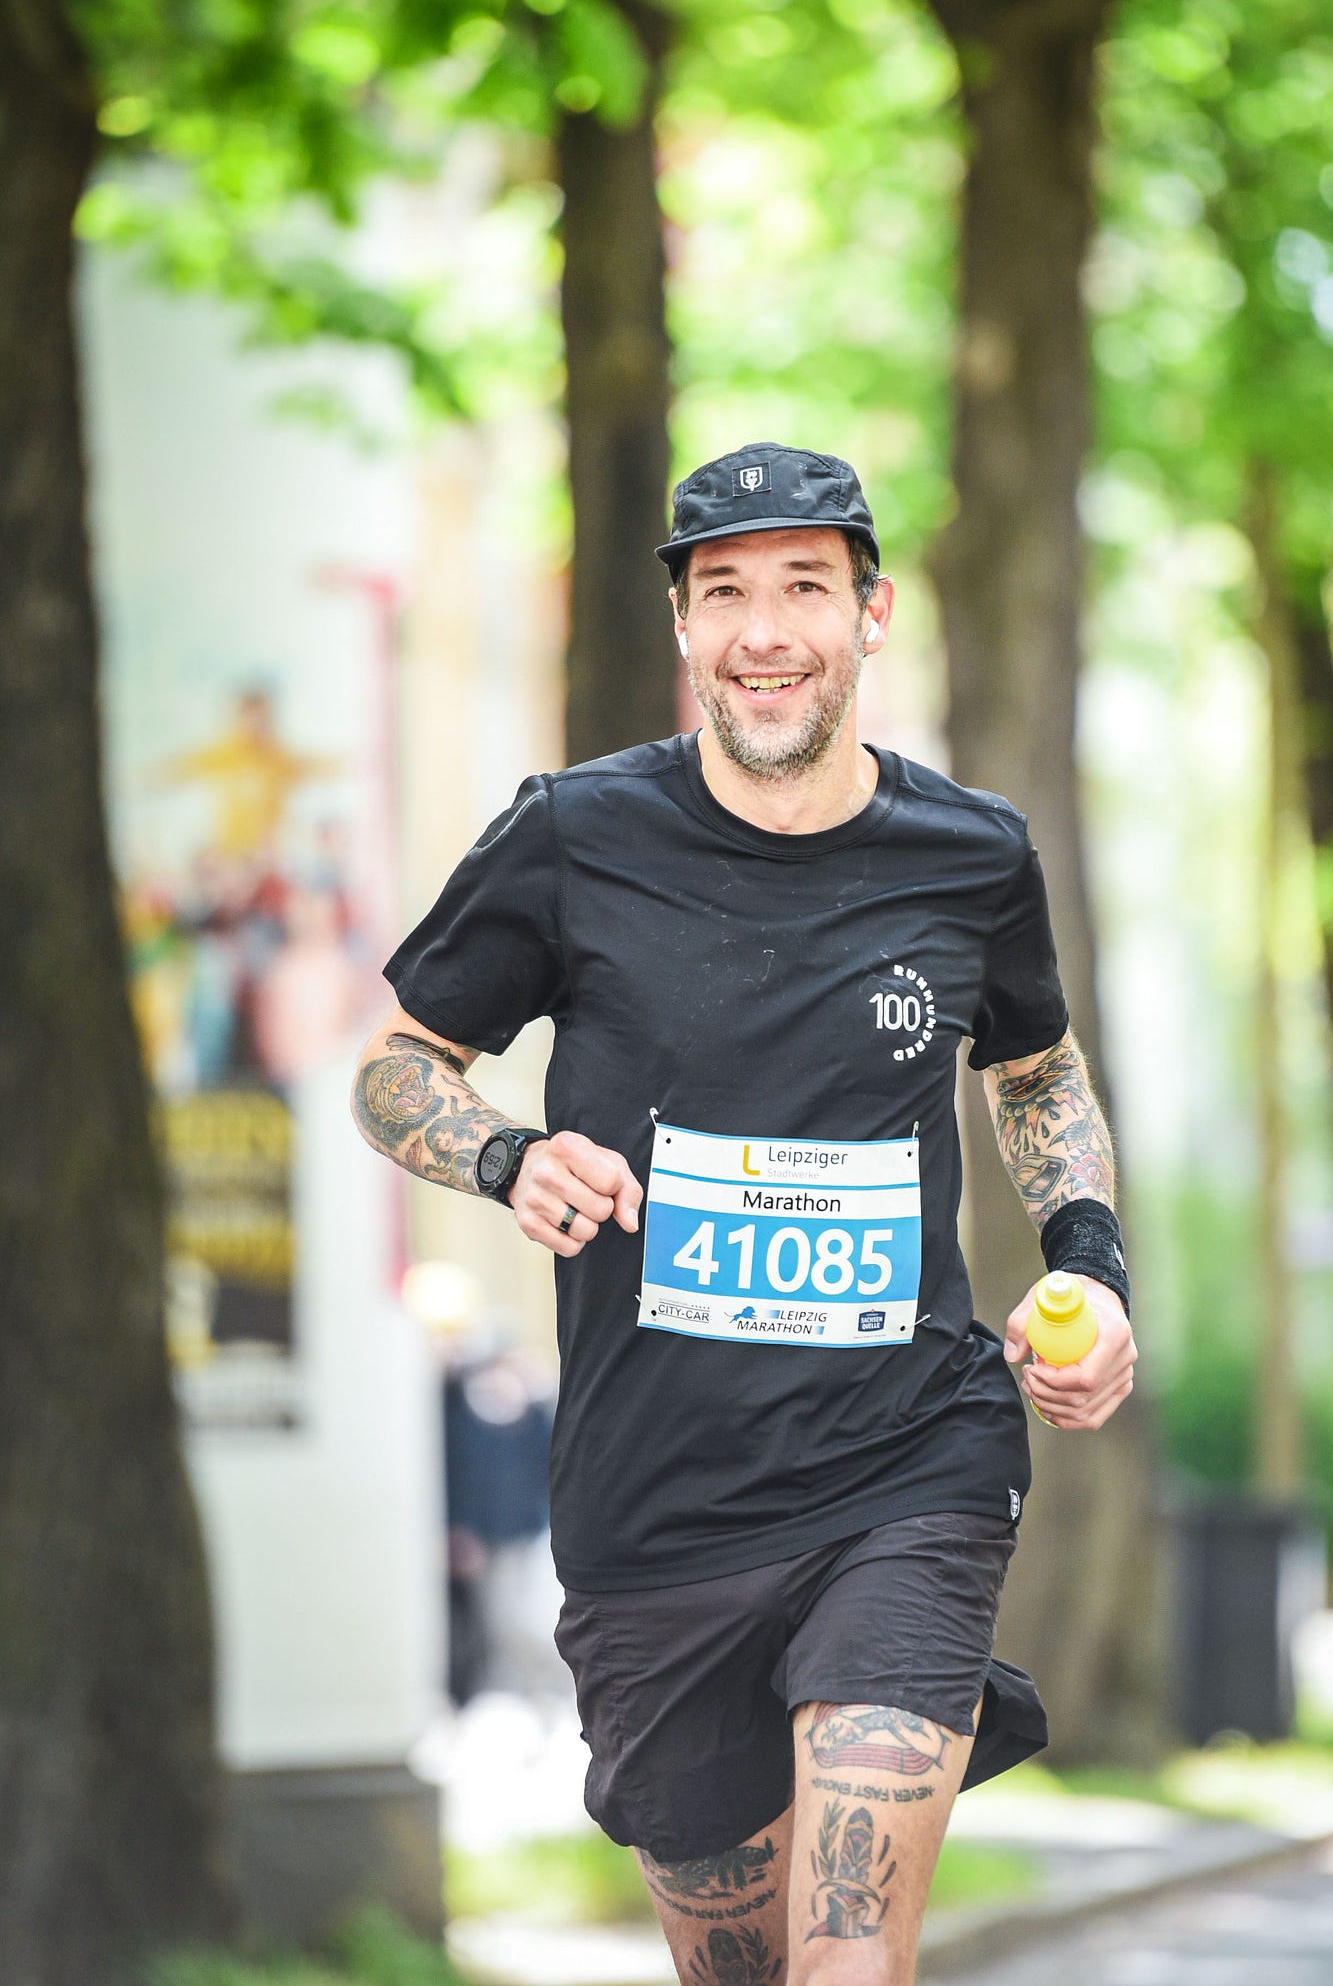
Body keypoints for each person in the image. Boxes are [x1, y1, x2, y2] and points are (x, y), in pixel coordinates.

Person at [350, 442, 1136, 1981]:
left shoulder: (971, 856)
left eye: (803, 588)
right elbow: (396, 1067)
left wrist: (1091, 1267)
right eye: (727, 593)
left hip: (907, 1461)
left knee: (848, 1960)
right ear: (684, 628)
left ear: (872, 613)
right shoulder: (573, 837)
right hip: (657, 1507)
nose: (765, 628)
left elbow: (1039, 1075)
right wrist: (508, 1156)